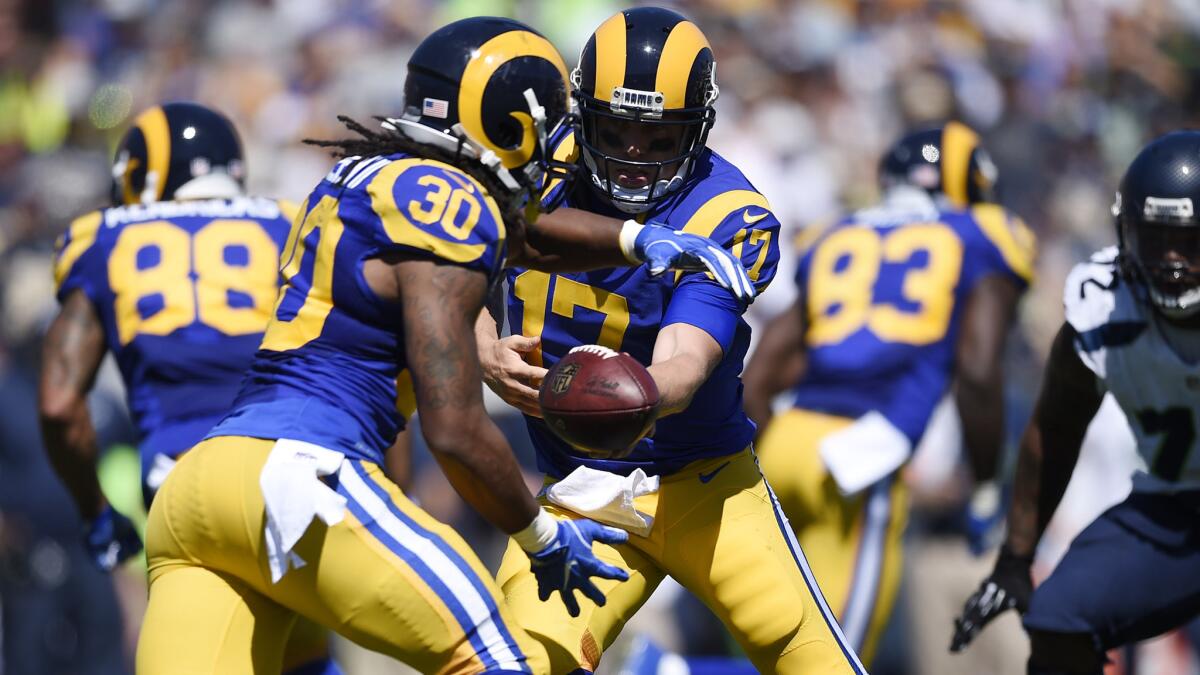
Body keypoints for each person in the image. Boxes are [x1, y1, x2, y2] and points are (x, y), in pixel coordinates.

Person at [132, 16, 754, 675]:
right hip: (303, 477)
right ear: (510, 123)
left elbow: (515, 236)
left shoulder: (363, 176)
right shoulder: (450, 207)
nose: (549, 152)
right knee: (494, 661)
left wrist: (630, 240)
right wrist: (541, 537)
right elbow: (454, 428)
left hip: (199, 486)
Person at [476, 8, 866, 674]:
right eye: (616, 131)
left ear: (699, 130)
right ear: (582, 114)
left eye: (657, 140)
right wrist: (481, 339)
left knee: (814, 661)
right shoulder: (532, 165)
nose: (632, 157)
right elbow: (441, 260)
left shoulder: (722, 211)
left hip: (703, 482)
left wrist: (637, 397)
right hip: (581, 489)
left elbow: (685, 357)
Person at [41, 101, 343, 675]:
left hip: (185, 490)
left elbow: (58, 406)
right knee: (305, 658)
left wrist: (97, 514)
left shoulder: (103, 239)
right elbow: (369, 355)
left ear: (138, 175)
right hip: (292, 476)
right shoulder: (291, 222)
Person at [742, 122, 1036, 666]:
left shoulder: (836, 232)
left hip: (786, 442)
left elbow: (762, 370)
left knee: (773, 647)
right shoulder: (979, 233)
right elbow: (976, 369)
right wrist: (987, 485)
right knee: (837, 656)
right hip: (862, 460)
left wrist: (762, 451)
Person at [951, 131, 1200, 674]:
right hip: (1173, 507)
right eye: (1154, 239)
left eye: (1188, 241)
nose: (1171, 261)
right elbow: (1054, 430)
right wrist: (1016, 557)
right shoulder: (1104, 305)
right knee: (1059, 614)